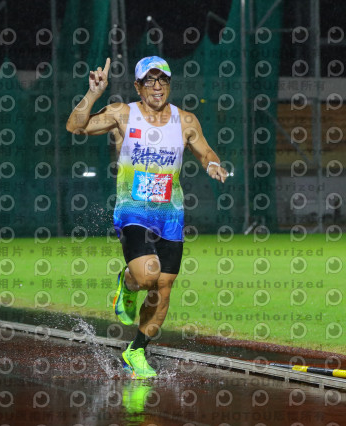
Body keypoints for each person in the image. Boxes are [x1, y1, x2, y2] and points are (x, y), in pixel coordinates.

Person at [66, 56, 229, 379]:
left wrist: (213, 163)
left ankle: (136, 350)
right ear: (138, 86)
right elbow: (75, 126)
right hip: (134, 209)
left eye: (162, 80)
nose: (157, 86)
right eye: (150, 81)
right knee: (147, 276)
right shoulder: (123, 114)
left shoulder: (185, 121)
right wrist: (94, 93)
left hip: (170, 214)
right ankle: (128, 283)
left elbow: (206, 151)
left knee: (163, 288)